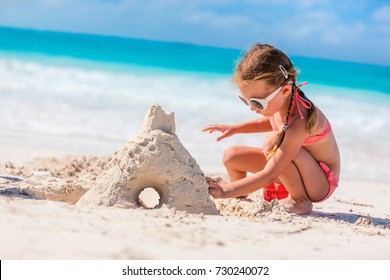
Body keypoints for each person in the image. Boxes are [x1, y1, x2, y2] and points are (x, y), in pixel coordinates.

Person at [202, 43, 340, 214]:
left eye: (257, 102)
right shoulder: (284, 104)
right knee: (232, 156)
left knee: (273, 141)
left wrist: (225, 190)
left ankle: (300, 199)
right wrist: (236, 128)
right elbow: (270, 122)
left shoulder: (300, 121)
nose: (252, 108)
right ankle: (241, 195)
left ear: (285, 90)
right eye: (246, 100)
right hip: (297, 170)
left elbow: (270, 174)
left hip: (319, 183)